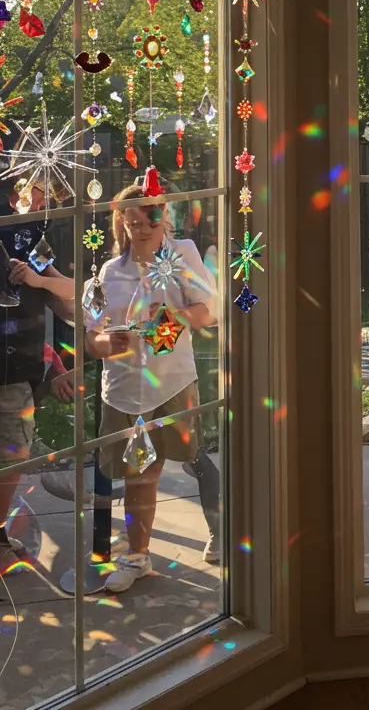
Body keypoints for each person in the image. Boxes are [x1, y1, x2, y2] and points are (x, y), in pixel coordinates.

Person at [86, 184, 217, 592]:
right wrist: (109, 344)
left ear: (165, 216)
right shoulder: (109, 272)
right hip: (123, 389)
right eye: (134, 220)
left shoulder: (184, 254)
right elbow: (93, 337)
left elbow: (208, 310)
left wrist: (174, 317)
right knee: (138, 474)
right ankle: (137, 553)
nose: (143, 228)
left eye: (151, 218)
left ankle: (136, 553)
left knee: (148, 472)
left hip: (170, 384)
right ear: (122, 222)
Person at [0, 181, 75, 572]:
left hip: (17, 372)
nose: (46, 200)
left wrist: (41, 280)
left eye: (49, 192)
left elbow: (67, 302)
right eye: (39, 190)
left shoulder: (32, 242)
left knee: (13, 454)